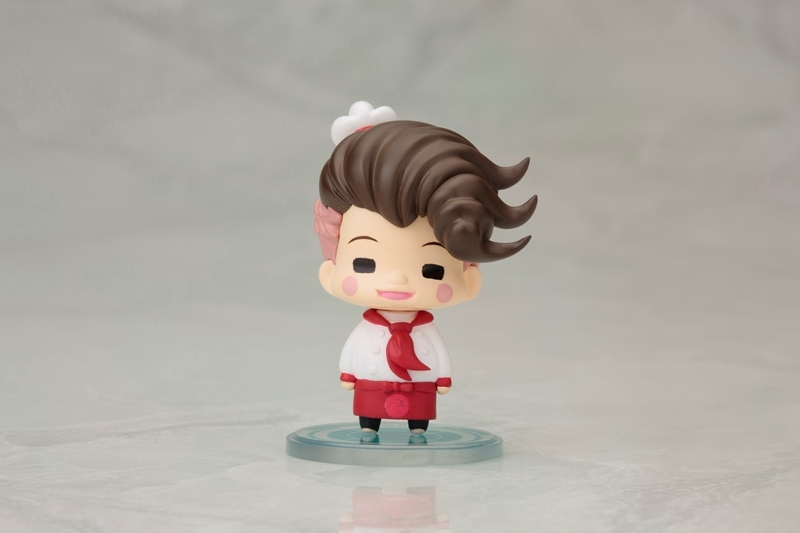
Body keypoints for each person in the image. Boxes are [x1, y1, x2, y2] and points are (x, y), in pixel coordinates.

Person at [313, 102, 537, 434]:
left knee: (418, 420)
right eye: (364, 263)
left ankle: (417, 430)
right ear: (332, 265)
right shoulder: (371, 329)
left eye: (432, 270)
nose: (397, 279)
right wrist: (348, 373)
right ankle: (369, 427)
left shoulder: (422, 331)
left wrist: (442, 377)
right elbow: (353, 352)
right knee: (368, 418)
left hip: (419, 392)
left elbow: (437, 354)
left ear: (469, 276)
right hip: (372, 389)